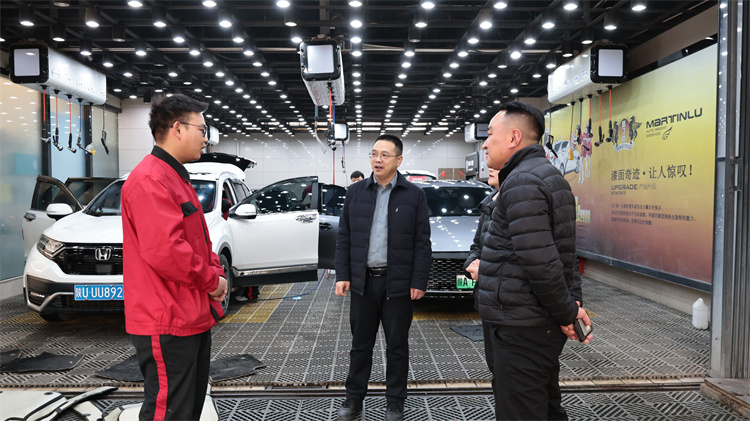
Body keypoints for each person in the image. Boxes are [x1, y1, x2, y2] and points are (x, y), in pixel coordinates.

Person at [472, 100, 592, 421]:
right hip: (534, 322)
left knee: (521, 410)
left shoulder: (523, 181)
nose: (485, 144)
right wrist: (569, 307)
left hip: (521, 327)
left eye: (490, 134)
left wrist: (567, 312)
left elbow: (541, 262)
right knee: (545, 405)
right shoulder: (547, 177)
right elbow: (564, 254)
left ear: (513, 137)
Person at [121, 94, 228, 421]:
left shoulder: (175, 176)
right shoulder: (151, 179)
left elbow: (196, 241)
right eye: (202, 129)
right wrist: (211, 281)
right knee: (169, 412)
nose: (206, 138)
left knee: (188, 408)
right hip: (166, 318)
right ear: (178, 129)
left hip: (187, 314)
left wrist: (215, 271)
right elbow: (166, 252)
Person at [334, 134, 432, 421]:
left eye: (384, 155)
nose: (377, 160)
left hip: (397, 284)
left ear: (398, 160)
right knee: (360, 345)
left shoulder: (414, 195)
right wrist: (343, 274)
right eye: (374, 154)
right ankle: (354, 399)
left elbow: (422, 243)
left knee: (397, 346)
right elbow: (344, 237)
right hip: (362, 283)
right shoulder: (355, 192)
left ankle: (395, 402)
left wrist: (419, 281)